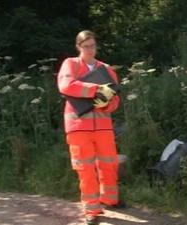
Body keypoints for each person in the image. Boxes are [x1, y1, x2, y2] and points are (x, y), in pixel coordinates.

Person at [57, 30, 124, 225]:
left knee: (109, 163)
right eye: (86, 46)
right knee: (85, 168)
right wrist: (97, 90)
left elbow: (115, 97)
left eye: (93, 46)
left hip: (103, 126)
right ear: (78, 47)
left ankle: (110, 199)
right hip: (78, 126)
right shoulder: (70, 64)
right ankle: (92, 210)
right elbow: (67, 85)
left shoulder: (106, 68)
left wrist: (107, 103)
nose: (90, 50)